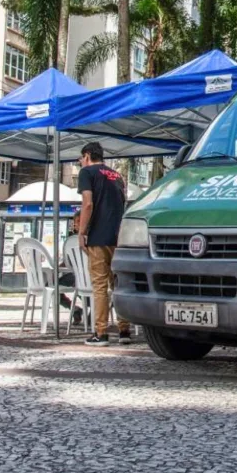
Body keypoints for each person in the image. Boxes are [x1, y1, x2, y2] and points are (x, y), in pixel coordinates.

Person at [78, 142, 130, 346]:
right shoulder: (117, 176)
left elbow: (87, 204)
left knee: (99, 285)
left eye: (81, 158)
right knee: (117, 284)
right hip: (119, 236)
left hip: (98, 236)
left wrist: (82, 232)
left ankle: (101, 333)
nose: (80, 162)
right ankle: (124, 330)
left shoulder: (87, 173)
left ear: (87, 155)